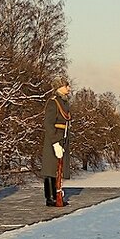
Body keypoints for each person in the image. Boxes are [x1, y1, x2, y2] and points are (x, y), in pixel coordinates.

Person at [42, 78, 71, 207]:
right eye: (66, 85)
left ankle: (57, 193)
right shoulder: (53, 103)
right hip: (53, 138)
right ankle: (51, 197)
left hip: (62, 137)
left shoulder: (63, 102)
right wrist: (54, 142)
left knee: (57, 169)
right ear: (60, 87)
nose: (69, 88)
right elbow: (48, 123)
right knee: (50, 168)